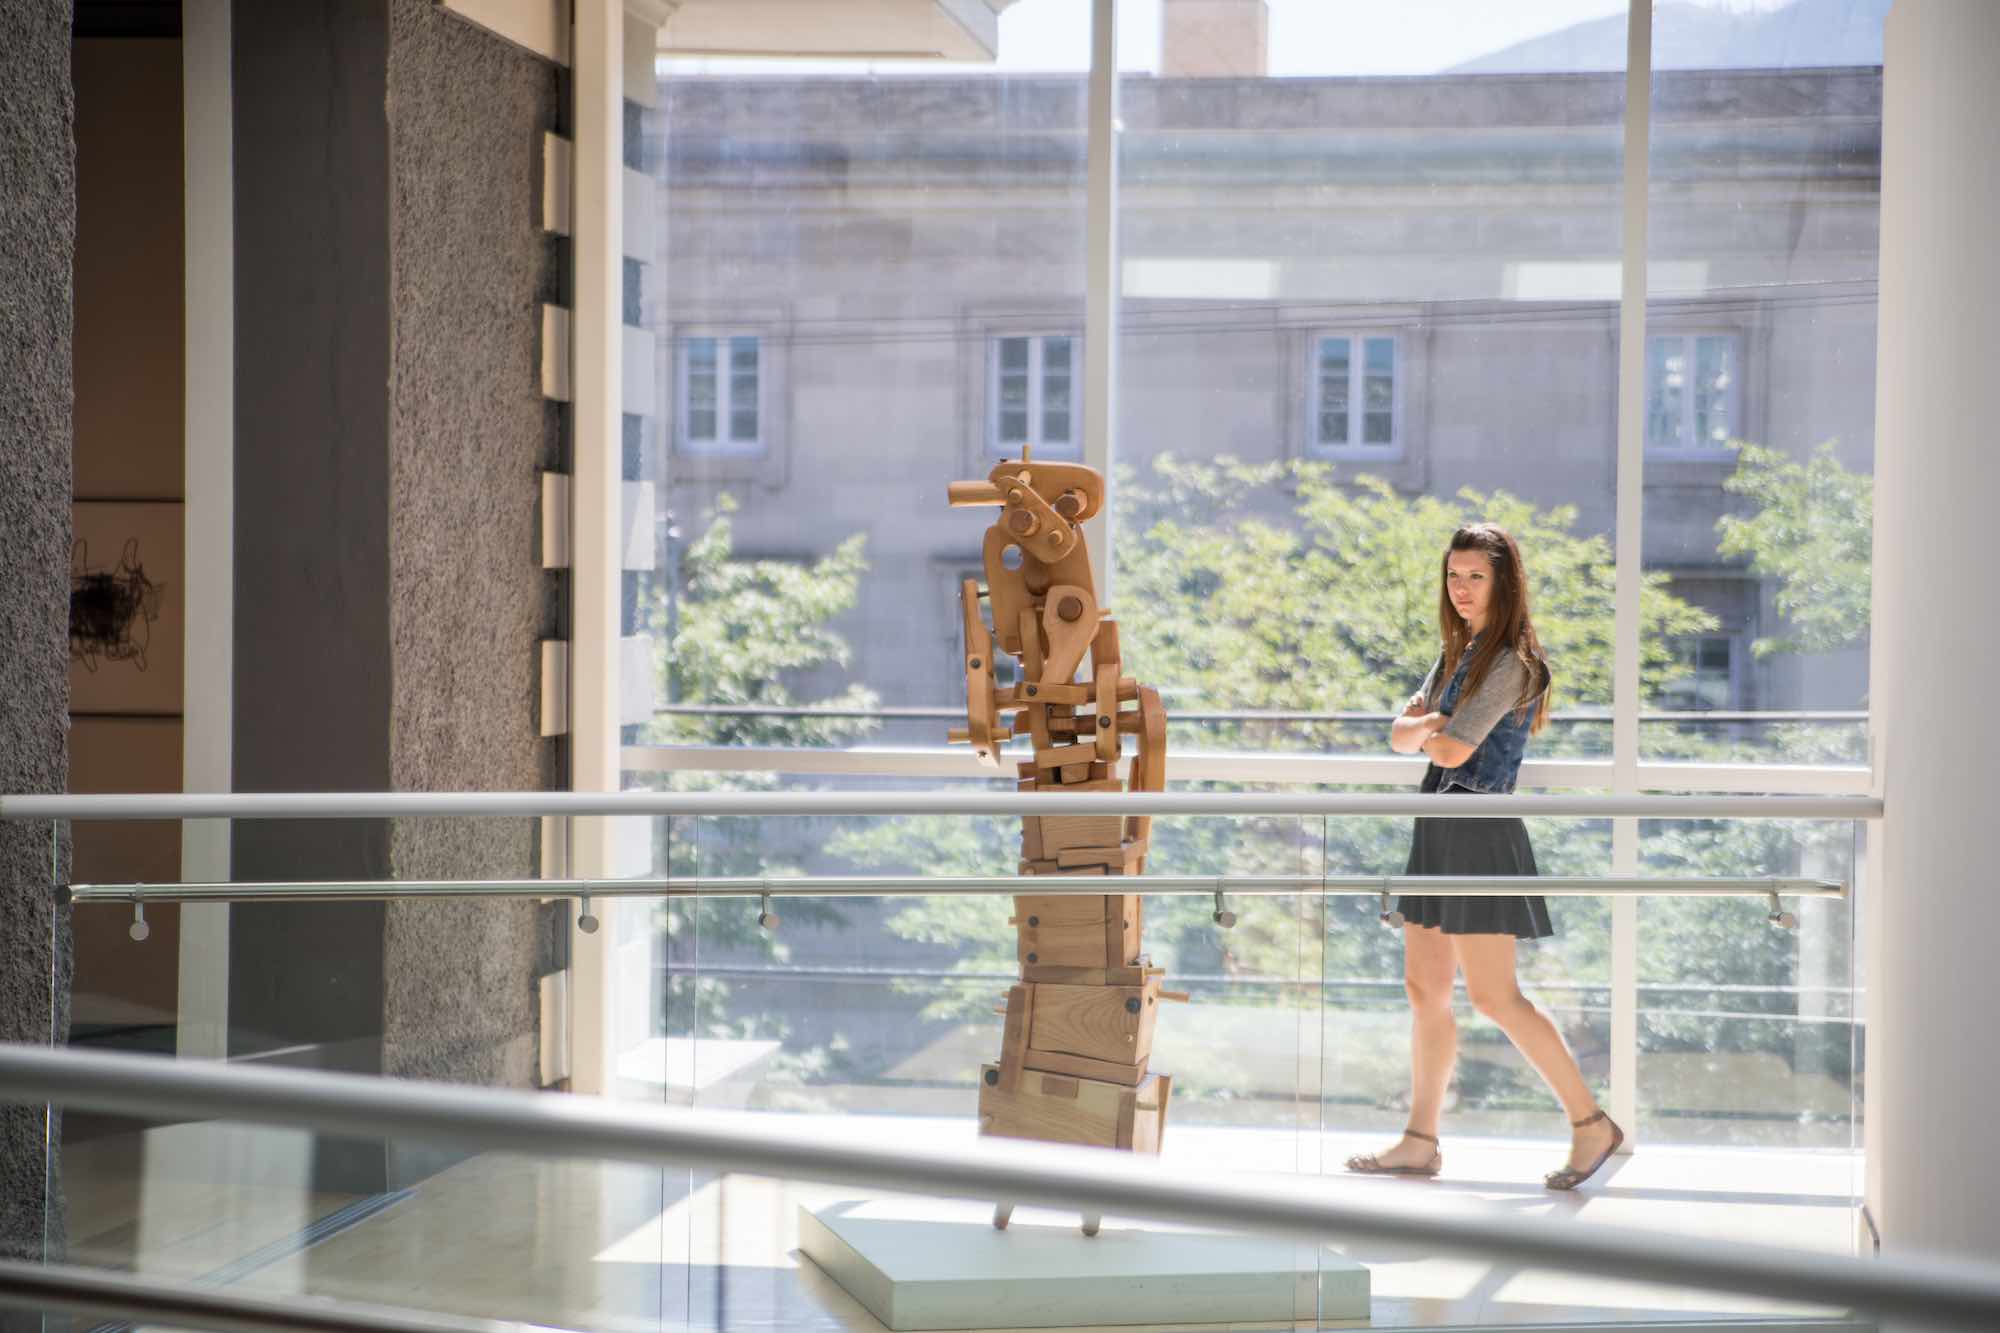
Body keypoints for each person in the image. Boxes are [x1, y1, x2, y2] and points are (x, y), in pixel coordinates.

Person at [1343, 522, 1623, 1191]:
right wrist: (1431, 726)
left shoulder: (1514, 664)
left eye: (1475, 575)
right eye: (1453, 575)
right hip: (1437, 827)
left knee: (1495, 996)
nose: (1461, 588)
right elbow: (1399, 732)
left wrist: (1433, 727)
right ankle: (1420, 1139)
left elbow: (1449, 750)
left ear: (1504, 581)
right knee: (1424, 989)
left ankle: (1591, 1123)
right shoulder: (1456, 653)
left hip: (1478, 830)